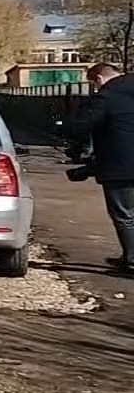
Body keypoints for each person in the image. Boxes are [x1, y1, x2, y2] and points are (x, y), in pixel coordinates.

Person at [83, 62, 134, 274]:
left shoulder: (106, 96)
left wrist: (81, 151)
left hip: (121, 166)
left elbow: (83, 125)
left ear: (99, 79)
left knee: (125, 215)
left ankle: (131, 262)